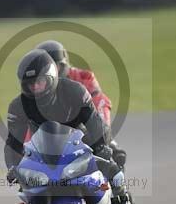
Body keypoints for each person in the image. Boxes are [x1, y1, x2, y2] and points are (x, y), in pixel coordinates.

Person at [4, 49, 133, 204]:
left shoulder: (75, 91)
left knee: (112, 164)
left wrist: (101, 146)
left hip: (81, 140)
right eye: (30, 85)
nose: (35, 88)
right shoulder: (18, 106)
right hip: (45, 148)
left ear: (51, 77)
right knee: (27, 185)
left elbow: (95, 123)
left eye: (39, 82)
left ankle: (121, 197)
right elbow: (13, 143)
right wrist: (13, 167)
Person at [34, 40, 127, 168]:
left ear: (63, 65)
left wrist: (102, 131)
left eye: (53, 66)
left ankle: (116, 181)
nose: (49, 72)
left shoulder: (84, 77)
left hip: (84, 125)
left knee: (115, 155)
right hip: (56, 132)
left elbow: (100, 101)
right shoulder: (38, 86)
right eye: (44, 69)